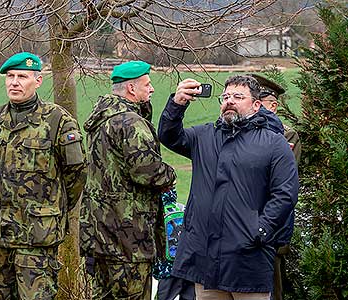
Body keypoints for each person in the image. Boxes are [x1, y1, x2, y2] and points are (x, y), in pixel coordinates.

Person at [158, 75, 299, 299]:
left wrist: (259, 230)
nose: (229, 100)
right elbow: (169, 136)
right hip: (205, 261)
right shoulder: (204, 136)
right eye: (225, 96)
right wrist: (177, 104)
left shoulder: (274, 142)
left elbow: (285, 193)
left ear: (256, 105)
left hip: (248, 260)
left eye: (238, 96)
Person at [0, 51, 86, 300]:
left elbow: (76, 174)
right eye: (10, 76)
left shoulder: (57, 120)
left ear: (38, 81)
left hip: (36, 235)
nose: (14, 82)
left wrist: (51, 208)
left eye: (22, 76)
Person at [80, 60, 177, 299]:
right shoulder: (131, 123)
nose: (152, 89)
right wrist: (170, 174)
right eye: (147, 84)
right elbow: (147, 170)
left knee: (102, 294)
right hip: (128, 235)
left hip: (98, 231)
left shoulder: (100, 120)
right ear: (132, 89)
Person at [250, 74, 301, 300]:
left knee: (272, 287)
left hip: (272, 229)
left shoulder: (287, 134)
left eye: (260, 103)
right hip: (241, 228)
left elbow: (282, 185)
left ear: (273, 106)